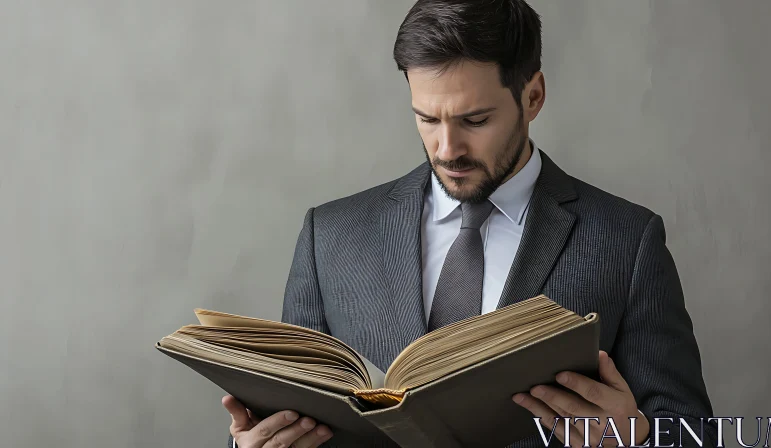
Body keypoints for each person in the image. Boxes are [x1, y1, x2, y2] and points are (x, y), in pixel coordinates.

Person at [223, 1, 716, 447]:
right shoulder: (328, 236)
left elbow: (693, 432)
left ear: (534, 97)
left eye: (474, 121)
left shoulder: (629, 241)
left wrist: (638, 443)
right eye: (427, 119)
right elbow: (286, 412)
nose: (447, 149)